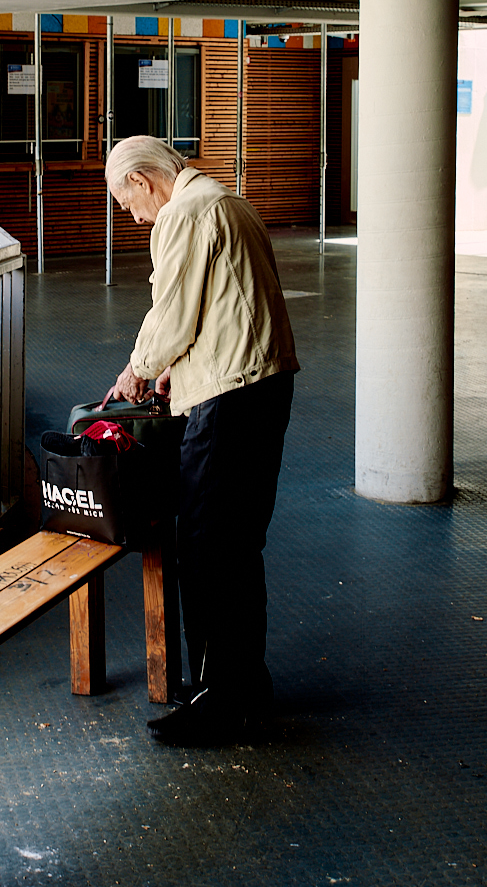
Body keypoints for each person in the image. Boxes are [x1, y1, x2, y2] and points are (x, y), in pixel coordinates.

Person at [106, 135, 299, 746]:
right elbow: (223, 305)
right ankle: (246, 685)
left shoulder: (185, 212)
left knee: (209, 549)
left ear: (142, 180)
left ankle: (221, 704)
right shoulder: (230, 202)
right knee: (239, 546)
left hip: (229, 399)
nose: (132, 217)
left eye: (126, 202)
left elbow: (171, 313)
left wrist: (137, 370)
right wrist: (171, 368)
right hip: (262, 386)